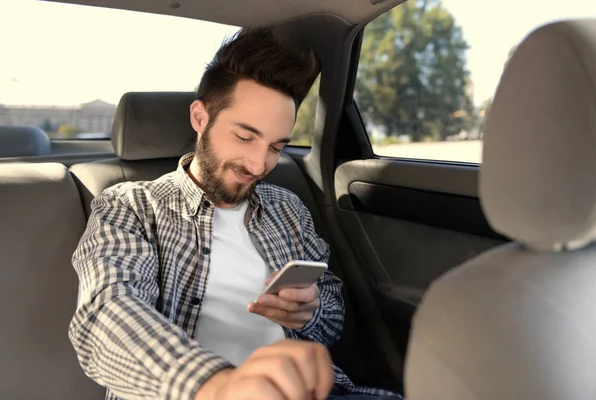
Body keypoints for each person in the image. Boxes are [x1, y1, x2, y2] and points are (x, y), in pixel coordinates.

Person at [69, 26, 402, 400]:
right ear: (200, 117)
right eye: (245, 137)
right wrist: (218, 385)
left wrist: (310, 312)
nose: (259, 164)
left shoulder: (287, 208)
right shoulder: (129, 205)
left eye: (276, 146)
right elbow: (106, 316)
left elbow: (332, 315)